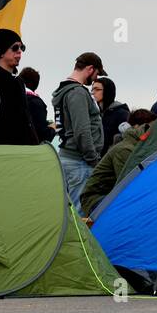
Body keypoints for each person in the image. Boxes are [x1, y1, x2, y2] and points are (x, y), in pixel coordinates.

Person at [50, 52, 106, 211]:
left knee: (69, 213)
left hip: (67, 158)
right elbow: (82, 131)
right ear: (90, 69)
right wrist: (93, 159)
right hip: (79, 163)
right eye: (97, 74)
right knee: (80, 215)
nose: (95, 79)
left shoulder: (65, 90)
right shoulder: (78, 93)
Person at [82, 109, 157, 217]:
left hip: (109, 196)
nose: (153, 132)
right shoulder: (125, 149)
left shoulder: (136, 148)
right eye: (149, 127)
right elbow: (128, 184)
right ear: (137, 127)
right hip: (95, 199)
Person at [0, 29, 39, 146]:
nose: (19, 52)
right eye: (15, 48)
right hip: (6, 158)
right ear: (1, 52)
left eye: (22, 47)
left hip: (24, 157)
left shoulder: (18, 81)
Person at [93, 76, 130, 156]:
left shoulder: (121, 113)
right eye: (92, 89)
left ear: (107, 91)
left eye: (97, 89)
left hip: (112, 159)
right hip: (97, 159)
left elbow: (126, 139)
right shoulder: (96, 114)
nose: (93, 92)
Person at [19, 67, 56, 143]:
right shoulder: (35, 103)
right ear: (36, 85)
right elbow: (42, 136)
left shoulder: (10, 97)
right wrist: (53, 128)